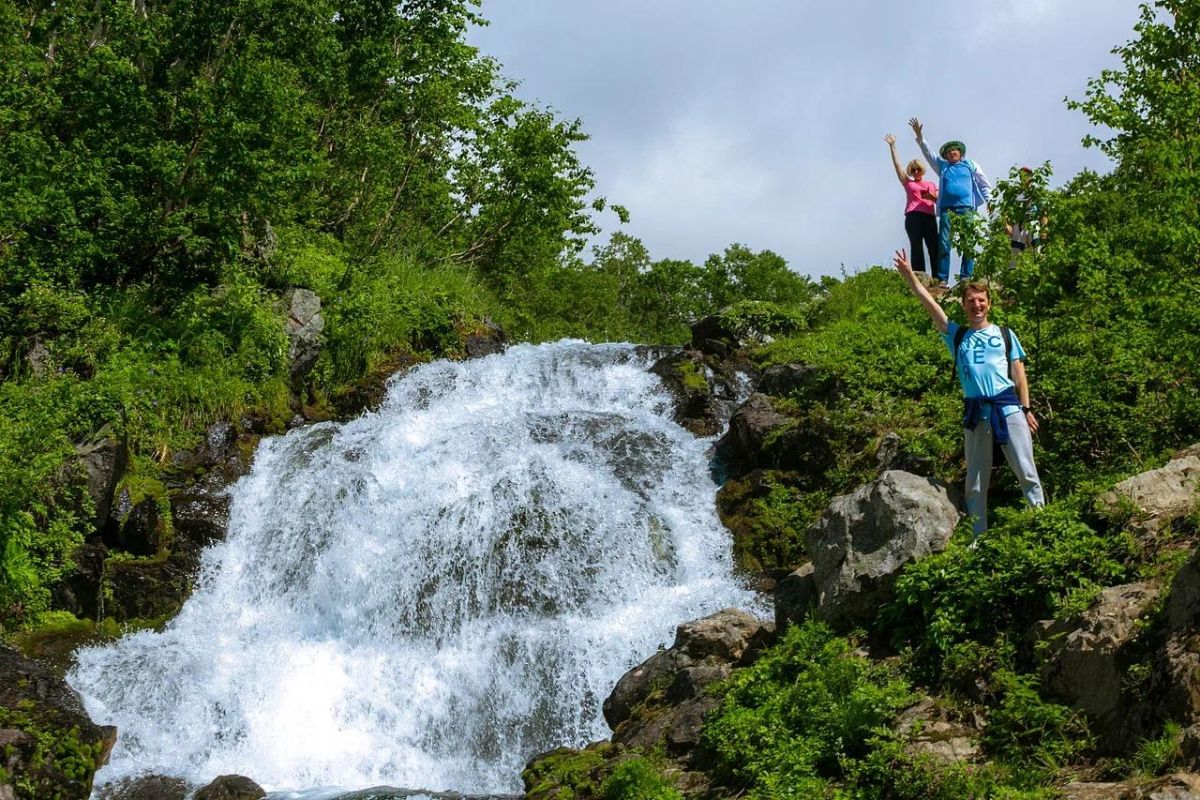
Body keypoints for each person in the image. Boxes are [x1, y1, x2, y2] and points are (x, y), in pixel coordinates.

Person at [892, 247, 1045, 537]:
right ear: (963, 305)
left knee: (1026, 470)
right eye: (971, 301)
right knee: (975, 480)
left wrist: (1026, 409)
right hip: (976, 412)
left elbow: (1020, 376)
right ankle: (978, 537)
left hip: (1008, 407)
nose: (977, 305)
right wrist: (910, 276)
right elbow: (929, 305)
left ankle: (1041, 524)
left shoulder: (1004, 334)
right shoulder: (957, 335)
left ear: (989, 304)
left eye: (981, 300)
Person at [909, 117, 992, 285]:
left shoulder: (970, 165)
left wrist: (990, 201)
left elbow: (983, 183)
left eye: (955, 150)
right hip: (948, 210)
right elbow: (929, 155)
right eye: (949, 151)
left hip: (966, 209)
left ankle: (966, 277)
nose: (952, 152)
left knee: (968, 242)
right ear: (946, 155)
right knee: (944, 243)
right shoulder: (943, 166)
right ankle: (942, 279)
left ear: (960, 153)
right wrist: (920, 137)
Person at [884, 133, 939, 274]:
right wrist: (892, 146)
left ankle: (938, 277)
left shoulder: (931, 184)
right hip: (913, 215)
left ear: (922, 170)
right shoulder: (908, 183)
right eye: (913, 170)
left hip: (929, 216)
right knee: (916, 245)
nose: (916, 171)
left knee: (934, 246)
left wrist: (932, 197)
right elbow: (898, 166)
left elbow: (939, 199)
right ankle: (920, 275)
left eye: (918, 169)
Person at [1006, 166, 1049, 266]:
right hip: (1018, 225)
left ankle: (1039, 269)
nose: (1025, 177)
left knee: (1036, 250)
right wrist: (1007, 225)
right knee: (1016, 254)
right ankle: (1016, 273)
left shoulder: (1036, 193)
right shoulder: (1015, 194)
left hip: (1033, 223)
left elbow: (1043, 212)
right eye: (1022, 175)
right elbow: (1008, 211)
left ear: (1031, 177)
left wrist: (1044, 229)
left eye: (1027, 175)